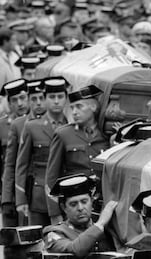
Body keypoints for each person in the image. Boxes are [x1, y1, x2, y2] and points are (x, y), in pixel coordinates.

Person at [46, 85, 109, 224]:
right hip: (74, 207)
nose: (74, 112)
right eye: (72, 108)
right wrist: (55, 213)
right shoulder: (63, 134)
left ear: (93, 107)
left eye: (79, 107)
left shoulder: (106, 135)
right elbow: (51, 178)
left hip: (101, 204)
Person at [15, 77, 69, 226]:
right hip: (39, 199)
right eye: (52, 97)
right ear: (45, 100)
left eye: (60, 97)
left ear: (66, 99)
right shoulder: (32, 127)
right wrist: (21, 199)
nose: (56, 101)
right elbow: (21, 166)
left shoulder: (72, 126)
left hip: (67, 195)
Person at [1, 79, 45, 227]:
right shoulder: (17, 125)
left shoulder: (54, 121)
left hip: (39, 189)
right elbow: (10, 165)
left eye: (22, 98)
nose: (20, 104)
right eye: (14, 100)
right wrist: (7, 199)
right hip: (21, 188)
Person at [43, 174, 117, 257]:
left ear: (92, 202)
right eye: (73, 204)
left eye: (84, 202)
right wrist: (100, 223)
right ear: (64, 208)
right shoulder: (55, 232)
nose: (80, 208)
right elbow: (73, 251)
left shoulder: (107, 230)